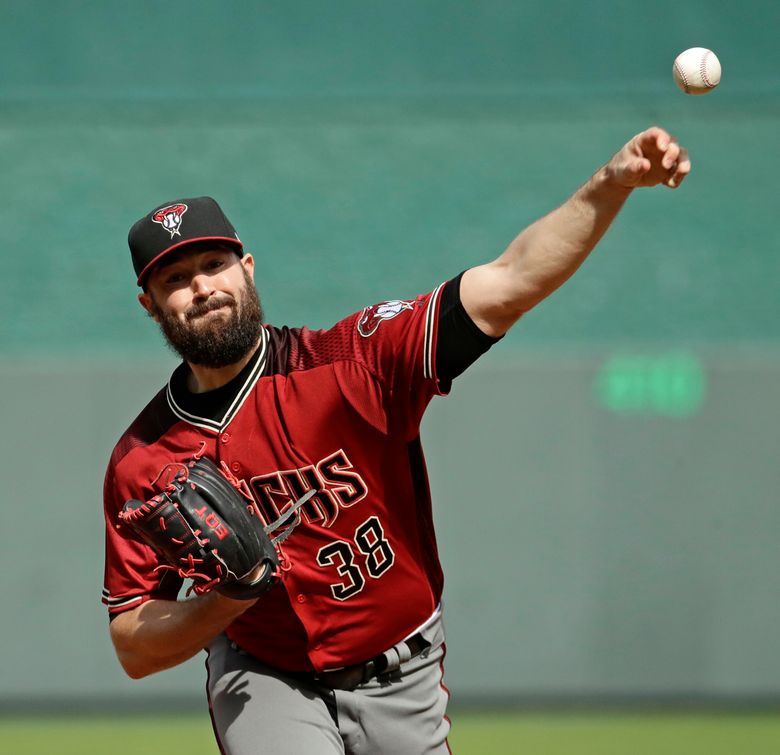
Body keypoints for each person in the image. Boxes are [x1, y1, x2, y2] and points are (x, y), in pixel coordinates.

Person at [102, 127, 690, 754]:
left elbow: (513, 281)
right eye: (176, 278)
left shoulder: (350, 364)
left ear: (246, 268)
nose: (203, 287)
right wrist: (227, 601)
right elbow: (134, 643)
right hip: (263, 675)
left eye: (214, 264)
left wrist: (611, 183)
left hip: (401, 671)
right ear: (150, 303)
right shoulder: (144, 459)